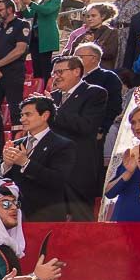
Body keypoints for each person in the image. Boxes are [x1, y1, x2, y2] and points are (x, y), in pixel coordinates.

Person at [47, 55, 107, 220]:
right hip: (54, 168)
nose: (56, 76)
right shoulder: (53, 97)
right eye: (54, 73)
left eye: (60, 71)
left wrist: (53, 110)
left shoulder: (94, 93)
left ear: (76, 71)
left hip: (79, 168)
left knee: (81, 220)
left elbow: (86, 126)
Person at [0, 96, 75, 222]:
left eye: (28, 114)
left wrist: (25, 163)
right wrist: (6, 165)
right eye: (22, 115)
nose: (22, 119)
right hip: (14, 215)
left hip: (46, 215)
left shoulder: (63, 145)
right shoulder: (15, 144)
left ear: (45, 115)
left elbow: (58, 180)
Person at [77, 0, 140, 74]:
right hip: (115, 36)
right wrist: (87, 2)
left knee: (128, 66)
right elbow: (99, 15)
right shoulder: (116, 3)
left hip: (131, 36)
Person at [0, 0, 31, 114]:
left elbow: (20, 50)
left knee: (15, 109)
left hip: (13, 74)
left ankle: (17, 132)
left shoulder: (22, 25)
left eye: (0, 10)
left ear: (10, 10)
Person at [76, 41, 126, 143]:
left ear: (93, 58)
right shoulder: (73, 77)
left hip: (94, 130)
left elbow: (114, 106)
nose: (75, 60)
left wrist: (103, 128)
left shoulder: (108, 77)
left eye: (79, 56)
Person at [18, 0, 63, 84]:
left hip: (46, 36)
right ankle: (39, 86)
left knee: (45, 65)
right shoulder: (40, 2)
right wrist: (23, 5)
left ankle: (46, 87)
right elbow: (28, 15)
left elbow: (47, 11)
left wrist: (30, 3)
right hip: (35, 37)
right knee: (36, 66)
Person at [64, 2, 119, 69]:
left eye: (93, 16)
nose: (89, 19)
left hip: (101, 70)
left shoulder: (111, 33)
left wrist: (94, 43)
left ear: (103, 16)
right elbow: (72, 54)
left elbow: (110, 53)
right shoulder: (82, 36)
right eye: (88, 16)